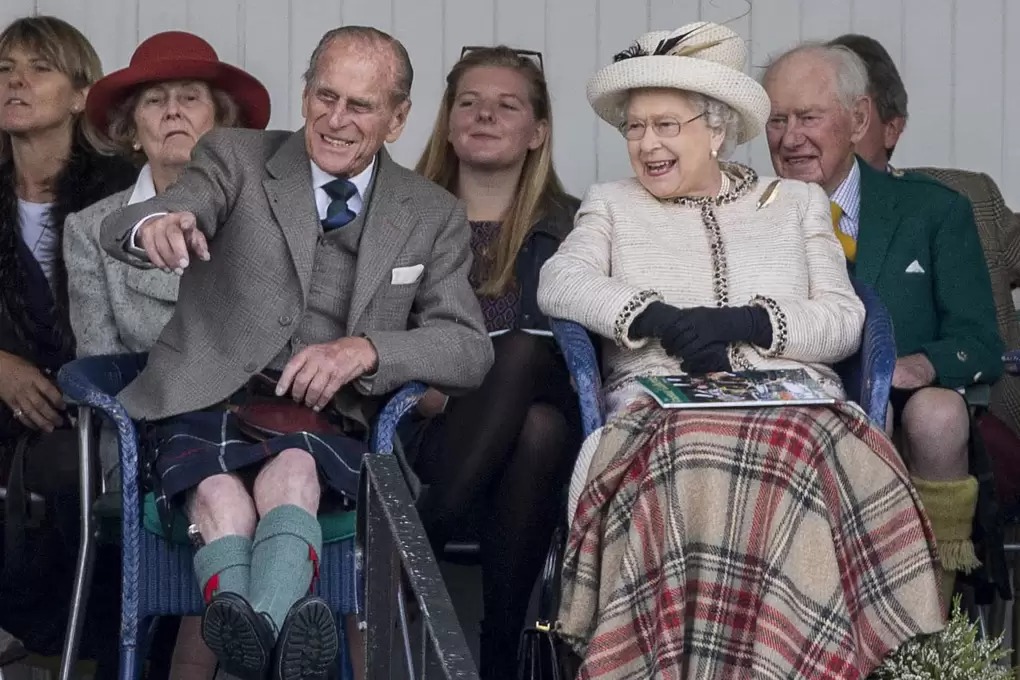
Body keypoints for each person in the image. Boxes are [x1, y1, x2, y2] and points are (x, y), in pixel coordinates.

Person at [537, 21, 942, 679]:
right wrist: (657, 317)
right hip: (664, 414)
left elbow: (844, 319)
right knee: (690, 453)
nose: (647, 144)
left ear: (717, 129)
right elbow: (560, 282)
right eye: (635, 128)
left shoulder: (797, 205)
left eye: (667, 125)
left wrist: (751, 324)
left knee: (803, 455)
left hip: (796, 408)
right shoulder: (612, 206)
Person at [99, 25, 493, 680]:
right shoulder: (236, 157)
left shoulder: (432, 213)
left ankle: (248, 627)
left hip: (324, 417)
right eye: (325, 96)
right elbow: (172, 207)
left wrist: (367, 350)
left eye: (360, 106)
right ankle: (274, 628)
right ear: (305, 94)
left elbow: (468, 349)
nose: (335, 120)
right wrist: (162, 221)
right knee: (220, 494)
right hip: (207, 395)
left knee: (297, 477)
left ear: (397, 120)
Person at [762, 42, 1004, 609]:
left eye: (809, 117)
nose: (790, 137)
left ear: (859, 119)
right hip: (795, 402)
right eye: (777, 120)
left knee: (938, 413)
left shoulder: (932, 210)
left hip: (897, 403)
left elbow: (981, 342)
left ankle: (929, 617)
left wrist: (921, 365)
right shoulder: (749, 211)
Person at [64, 31, 271, 680]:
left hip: (257, 419)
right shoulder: (88, 230)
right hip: (148, 432)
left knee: (285, 470)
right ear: (132, 131)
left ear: (222, 125)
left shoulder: (266, 219)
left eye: (190, 98)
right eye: (155, 102)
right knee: (223, 480)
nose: (173, 111)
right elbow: (103, 362)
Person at [412, 45, 579, 677]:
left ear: (537, 132)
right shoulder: (398, 217)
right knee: (535, 419)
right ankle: (502, 659)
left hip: (538, 454)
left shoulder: (571, 227)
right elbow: (363, 325)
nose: (484, 115)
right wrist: (419, 383)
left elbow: (589, 348)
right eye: (469, 102)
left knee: (535, 401)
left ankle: (415, 541)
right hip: (424, 426)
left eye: (506, 105)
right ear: (447, 120)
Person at [0, 14, 136, 670]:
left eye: (39, 68)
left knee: (67, 468)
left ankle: (83, 636)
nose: (16, 82)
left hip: (92, 405)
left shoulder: (120, 191)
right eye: (4, 70)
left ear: (82, 94)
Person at [829, 32, 1020, 440]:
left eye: (850, 118)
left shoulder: (952, 201)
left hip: (922, 410)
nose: (830, 134)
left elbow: (980, 337)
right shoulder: (766, 203)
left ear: (890, 128)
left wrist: (928, 363)